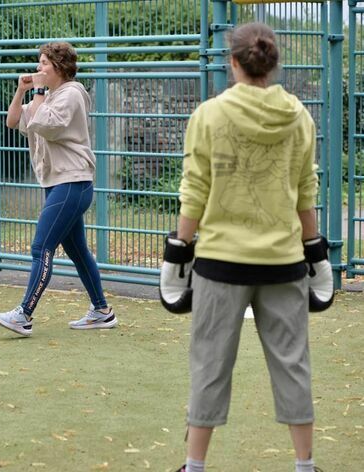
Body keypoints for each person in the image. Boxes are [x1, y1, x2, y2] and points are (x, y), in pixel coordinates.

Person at [158, 23, 332, 472]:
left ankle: (194, 466)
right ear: (273, 64)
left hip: (221, 261)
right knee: (293, 363)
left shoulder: (210, 115)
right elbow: (304, 192)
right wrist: (316, 250)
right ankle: (305, 465)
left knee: (209, 363)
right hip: (284, 261)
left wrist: (179, 251)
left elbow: (194, 189)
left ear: (232, 61)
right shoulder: (298, 116)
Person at [0, 41, 117, 337]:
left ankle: (24, 314)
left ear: (58, 67)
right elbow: (13, 121)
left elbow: (45, 124)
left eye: (44, 63)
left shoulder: (71, 94)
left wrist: (39, 93)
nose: (38, 68)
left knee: (41, 247)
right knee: (78, 252)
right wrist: (22, 91)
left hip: (72, 182)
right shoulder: (48, 96)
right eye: (39, 62)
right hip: (59, 183)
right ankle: (102, 311)